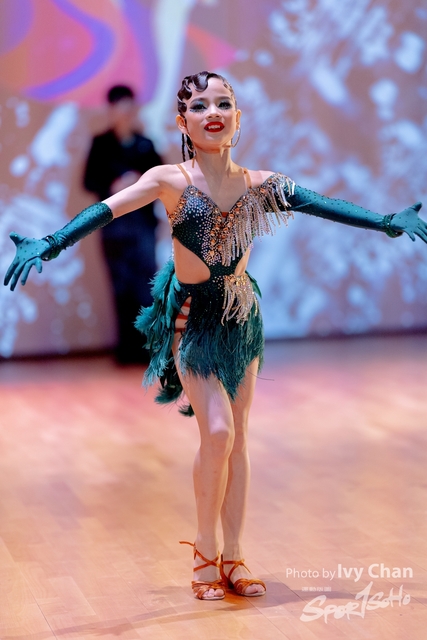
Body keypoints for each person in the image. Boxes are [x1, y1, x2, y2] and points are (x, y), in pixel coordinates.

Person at [4, 71, 427, 602]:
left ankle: (235, 556)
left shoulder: (262, 184)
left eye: (224, 103)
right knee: (220, 433)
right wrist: (49, 242)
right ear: (182, 122)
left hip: (240, 317)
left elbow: (324, 205)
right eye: (200, 105)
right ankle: (205, 551)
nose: (213, 113)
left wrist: (387, 220)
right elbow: (106, 210)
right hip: (192, 319)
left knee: (239, 437)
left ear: (238, 117)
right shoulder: (169, 180)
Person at [84, 85, 162, 363]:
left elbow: (162, 182)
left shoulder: (146, 144)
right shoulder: (101, 144)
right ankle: (126, 349)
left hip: (142, 226)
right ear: (111, 110)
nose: (125, 112)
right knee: (120, 287)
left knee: (146, 287)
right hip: (114, 227)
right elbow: (88, 181)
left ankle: (149, 348)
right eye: (119, 106)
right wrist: (113, 185)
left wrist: (138, 182)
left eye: (129, 106)